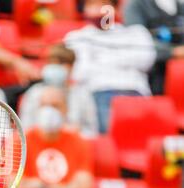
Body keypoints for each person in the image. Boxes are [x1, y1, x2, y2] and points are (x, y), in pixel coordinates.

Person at [65, 0, 156, 133]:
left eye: (103, 4)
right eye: (92, 5)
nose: (99, 10)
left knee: (146, 135)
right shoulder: (77, 37)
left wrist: (99, 59)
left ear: (115, 9)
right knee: (111, 135)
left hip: (136, 92)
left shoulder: (136, 33)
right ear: (85, 10)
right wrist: (125, 57)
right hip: (100, 93)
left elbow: (146, 61)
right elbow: (80, 72)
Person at [19, 44, 98, 137]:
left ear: (71, 67)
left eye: (60, 63)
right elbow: (25, 129)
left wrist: (76, 132)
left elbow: (92, 132)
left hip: (72, 145)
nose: (54, 67)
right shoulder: (34, 92)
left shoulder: (82, 94)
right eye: (51, 63)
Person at [123, 0, 184, 94]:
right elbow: (137, 43)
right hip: (153, 78)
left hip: (179, 76)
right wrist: (173, 52)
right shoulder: (136, 6)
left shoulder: (180, 6)